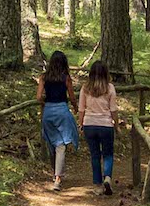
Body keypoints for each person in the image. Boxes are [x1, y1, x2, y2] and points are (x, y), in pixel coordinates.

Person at [77, 59, 122, 195]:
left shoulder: (85, 88)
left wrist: (80, 124)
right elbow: (113, 109)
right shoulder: (110, 88)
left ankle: (97, 185)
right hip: (105, 125)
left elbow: (81, 109)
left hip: (89, 124)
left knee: (95, 155)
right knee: (108, 153)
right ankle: (107, 177)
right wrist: (116, 125)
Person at [37, 50, 79, 190]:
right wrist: (76, 108)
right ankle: (58, 178)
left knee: (51, 143)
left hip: (48, 111)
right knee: (61, 145)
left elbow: (38, 97)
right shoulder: (66, 78)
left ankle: (55, 173)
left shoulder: (43, 77)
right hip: (62, 110)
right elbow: (72, 97)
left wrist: (45, 103)